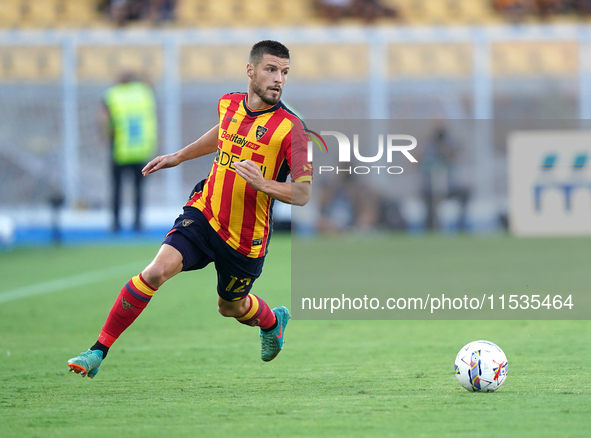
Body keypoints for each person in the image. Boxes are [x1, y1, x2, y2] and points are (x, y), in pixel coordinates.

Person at [68, 40, 312, 378]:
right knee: (154, 272)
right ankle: (97, 351)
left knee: (230, 306)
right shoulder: (228, 104)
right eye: (271, 69)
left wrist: (263, 183)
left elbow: (302, 194)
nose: (278, 79)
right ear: (251, 70)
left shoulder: (292, 129)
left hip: (245, 237)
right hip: (204, 213)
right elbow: (224, 133)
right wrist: (178, 156)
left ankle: (272, 321)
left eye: (284, 72)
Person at [99, 71, 158, 232]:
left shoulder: (113, 95)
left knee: (117, 188)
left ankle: (116, 224)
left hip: (120, 149)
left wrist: (105, 136)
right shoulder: (144, 93)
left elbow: (104, 119)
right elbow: (152, 85)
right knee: (139, 189)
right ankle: (138, 223)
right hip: (141, 149)